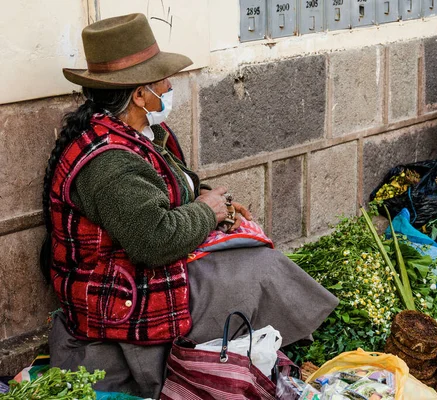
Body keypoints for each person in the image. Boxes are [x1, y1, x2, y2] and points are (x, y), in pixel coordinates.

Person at [41, 13, 338, 398]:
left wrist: (216, 200)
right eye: (162, 80)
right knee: (255, 271)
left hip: (138, 267)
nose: (169, 86)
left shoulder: (146, 133)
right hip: (121, 293)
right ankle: (228, 359)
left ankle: (260, 343)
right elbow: (154, 239)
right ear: (139, 94)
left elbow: (179, 187)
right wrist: (208, 211)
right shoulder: (109, 163)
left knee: (253, 256)